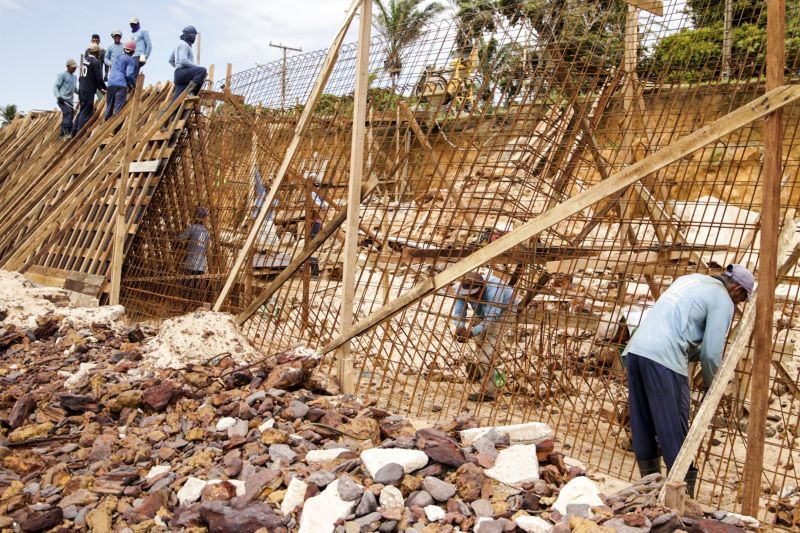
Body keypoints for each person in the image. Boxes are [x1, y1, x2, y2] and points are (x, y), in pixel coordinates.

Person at [622, 264, 754, 498]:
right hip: (664, 359)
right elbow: (712, 353)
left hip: (636, 351)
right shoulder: (723, 299)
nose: (738, 305)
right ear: (736, 289)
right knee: (674, 426)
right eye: (742, 299)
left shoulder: (690, 279)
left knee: (642, 421)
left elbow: (680, 328)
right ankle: (681, 496)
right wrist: (714, 386)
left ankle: (647, 486)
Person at [452, 271, 519, 402]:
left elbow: (491, 317)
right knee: (479, 345)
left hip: (504, 310)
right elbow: (459, 312)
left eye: (474, 294)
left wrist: (471, 332)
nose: (471, 297)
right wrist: (460, 327)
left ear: (482, 287)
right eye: (469, 295)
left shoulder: (495, 289)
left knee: (488, 349)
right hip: (482, 310)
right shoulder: (461, 288)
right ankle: (484, 374)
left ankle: (488, 392)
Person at [178, 206, 211, 304]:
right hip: (201, 264)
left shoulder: (192, 228)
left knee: (185, 284)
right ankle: (194, 303)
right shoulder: (206, 232)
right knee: (195, 285)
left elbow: (180, 238)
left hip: (190, 262)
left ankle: (185, 303)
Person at [73, 43, 107, 135]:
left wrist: (100, 88)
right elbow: (99, 78)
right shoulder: (95, 62)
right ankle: (80, 134)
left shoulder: (85, 61)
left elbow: (90, 76)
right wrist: (104, 88)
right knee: (86, 112)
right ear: (97, 53)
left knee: (82, 110)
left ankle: (74, 131)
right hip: (88, 90)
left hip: (81, 89)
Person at [168, 26, 207, 102]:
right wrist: (197, 67)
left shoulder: (179, 44)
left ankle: (168, 114)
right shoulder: (184, 44)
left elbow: (170, 60)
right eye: (194, 35)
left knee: (176, 102)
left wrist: (178, 67)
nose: (195, 38)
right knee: (202, 70)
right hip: (182, 73)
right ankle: (190, 93)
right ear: (190, 35)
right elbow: (183, 60)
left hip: (178, 75)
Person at [105, 41, 137, 119]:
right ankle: (115, 130)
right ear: (133, 51)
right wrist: (134, 84)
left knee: (109, 108)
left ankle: (105, 124)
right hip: (121, 85)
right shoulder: (130, 60)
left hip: (110, 84)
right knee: (118, 110)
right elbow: (129, 74)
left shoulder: (117, 57)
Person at [53, 59, 78, 139]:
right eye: (72, 67)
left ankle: (62, 133)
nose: (74, 69)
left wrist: (81, 93)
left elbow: (74, 88)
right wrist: (58, 96)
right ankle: (67, 132)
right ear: (68, 66)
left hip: (70, 100)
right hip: (63, 99)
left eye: (75, 67)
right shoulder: (62, 75)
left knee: (67, 115)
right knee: (68, 113)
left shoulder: (74, 77)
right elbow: (55, 86)